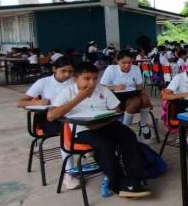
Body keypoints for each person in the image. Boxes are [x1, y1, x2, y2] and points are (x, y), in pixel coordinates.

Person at [48, 62, 151, 198]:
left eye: (95, 78)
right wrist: (80, 97)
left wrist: (106, 118)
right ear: (76, 79)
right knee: (105, 145)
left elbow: (116, 110)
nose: (92, 83)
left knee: (129, 136)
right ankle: (118, 184)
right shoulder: (68, 92)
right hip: (82, 130)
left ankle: (134, 180)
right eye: (87, 79)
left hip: (105, 124)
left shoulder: (102, 89)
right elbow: (51, 116)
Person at [17, 56, 79, 189]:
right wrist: (37, 102)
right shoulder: (43, 82)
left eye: (70, 71)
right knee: (67, 131)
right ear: (54, 69)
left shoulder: (74, 82)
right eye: (63, 71)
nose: (67, 75)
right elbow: (20, 102)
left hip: (72, 116)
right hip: (50, 119)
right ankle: (69, 174)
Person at [100, 50, 154, 139]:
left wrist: (148, 102)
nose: (127, 65)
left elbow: (139, 87)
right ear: (117, 61)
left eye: (129, 63)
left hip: (132, 93)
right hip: (116, 96)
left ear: (133, 61)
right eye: (123, 63)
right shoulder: (111, 69)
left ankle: (143, 124)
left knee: (144, 98)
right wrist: (115, 87)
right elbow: (102, 86)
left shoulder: (135, 69)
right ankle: (125, 128)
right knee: (136, 101)